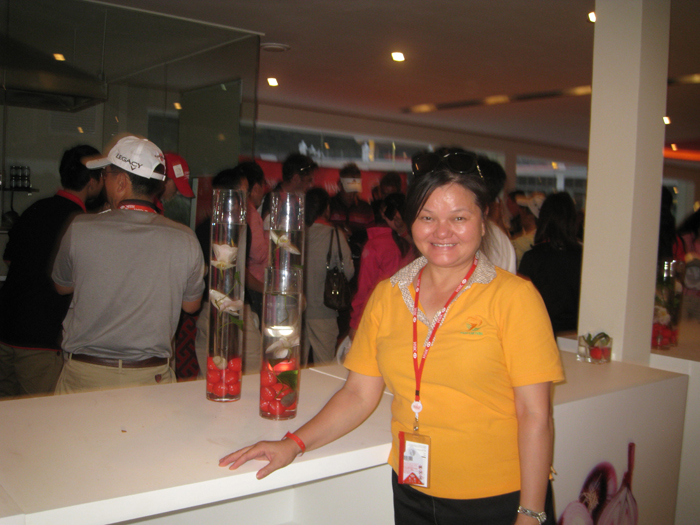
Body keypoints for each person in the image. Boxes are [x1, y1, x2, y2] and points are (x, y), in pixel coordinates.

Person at [220, 150, 564, 525]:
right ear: (411, 221)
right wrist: (293, 444)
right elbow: (358, 394)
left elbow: (535, 415)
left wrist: (531, 514)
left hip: (496, 498)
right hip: (412, 490)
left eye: (459, 218)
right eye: (427, 217)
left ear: (484, 222)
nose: (442, 231)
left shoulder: (514, 298)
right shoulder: (389, 295)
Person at [51, 134, 205, 394]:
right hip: (150, 380)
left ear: (122, 182)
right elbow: (191, 305)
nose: (103, 182)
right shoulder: (185, 238)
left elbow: (61, 286)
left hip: (85, 379)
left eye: (106, 175)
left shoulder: (81, 229)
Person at [0, 145, 103, 397]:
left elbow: (10, 260)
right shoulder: (83, 224)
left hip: (5, 328)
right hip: (41, 340)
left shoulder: (35, 209)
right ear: (92, 182)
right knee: (40, 416)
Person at [348, 193, 414, 339]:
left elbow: (365, 288)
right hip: (407, 317)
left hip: (378, 317)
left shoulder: (375, 245)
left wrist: (355, 324)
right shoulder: (414, 244)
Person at [302, 187, 354, 365]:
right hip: (324, 310)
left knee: (296, 365)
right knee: (324, 366)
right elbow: (348, 271)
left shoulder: (297, 233)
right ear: (326, 209)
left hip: (297, 312)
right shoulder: (334, 235)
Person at [519, 192, 583, 334]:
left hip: (541, 332)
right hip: (575, 333)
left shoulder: (533, 257)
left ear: (543, 219)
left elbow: (520, 302)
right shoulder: (583, 257)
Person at [159, 152, 195, 225]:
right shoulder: (147, 211)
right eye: (177, 186)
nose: (178, 192)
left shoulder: (158, 210)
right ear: (164, 180)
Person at [512, 192, 545, 268]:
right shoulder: (542, 236)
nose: (520, 212)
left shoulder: (526, 241)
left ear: (530, 215)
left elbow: (504, 251)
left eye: (522, 209)